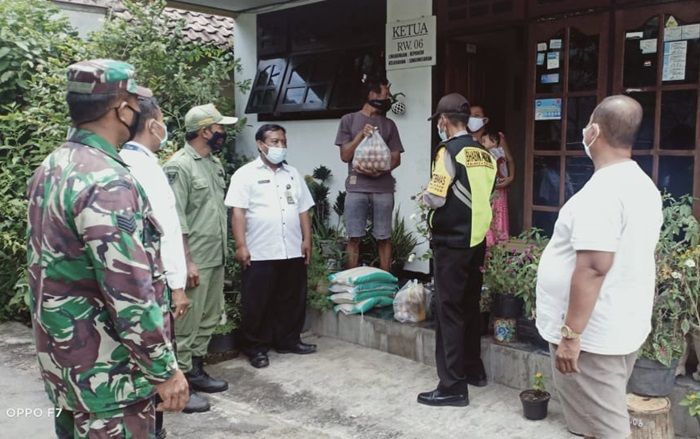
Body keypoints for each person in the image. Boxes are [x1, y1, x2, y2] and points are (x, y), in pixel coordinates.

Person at [26, 59, 188, 438]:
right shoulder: (108, 182)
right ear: (121, 108)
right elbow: (130, 289)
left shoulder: (53, 166)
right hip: (110, 379)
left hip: (68, 368)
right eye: (134, 101)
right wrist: (164, 370)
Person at [536, 95, 662, 439]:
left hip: (592, 338)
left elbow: (593, 267)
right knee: (591, 424)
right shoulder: (643, 185)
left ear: (594, 131)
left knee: (609, 428)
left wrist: (571, 336)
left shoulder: (603, 192)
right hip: (618, 325)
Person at [418, 93, 497, 407]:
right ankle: (473, 370)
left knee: (448, 313)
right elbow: (486, 192)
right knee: (469, 307)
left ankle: (452, 386)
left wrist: (423, 197)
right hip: (476, 241)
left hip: (451, 243)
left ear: (443, 121)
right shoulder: (484, 152)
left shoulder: (448, 151)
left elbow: (437, 196)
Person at [119, 96, 193, 430]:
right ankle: (155, 425)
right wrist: (177, 287)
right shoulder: (148, 168)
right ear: (153, 125)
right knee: (157, 360)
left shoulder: (117, 161)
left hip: (128, 282)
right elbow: (166, 230)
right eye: (162, 119)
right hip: (151, 282)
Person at [163, 103, 237, 410]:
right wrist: (187, 262)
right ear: (205, 131)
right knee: (186, 324)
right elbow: (175, 219)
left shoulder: (212, 163)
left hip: (214, 255)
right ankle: (179, 385)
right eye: (220, 128)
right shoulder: (179, 166)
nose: (223, 133)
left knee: (207, 318)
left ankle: (195, 370)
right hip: (194, 260)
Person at [225, 124, 316, 369]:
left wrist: (307, 240)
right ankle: (255, 347)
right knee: (258, 301)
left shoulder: (293, 174)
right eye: (275, 142)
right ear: (260, 144)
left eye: (283, 142)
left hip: (291, 248)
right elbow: (238, 213)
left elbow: (304, 210)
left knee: (291, 298)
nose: (280, 147)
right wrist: (241, 245)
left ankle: (288, 340)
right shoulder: (245, 174)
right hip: (260, 249)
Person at [334, 76, 404, 272]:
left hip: (383, 189)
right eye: (385, 94)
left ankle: (386, 282)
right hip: (357, 188)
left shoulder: (389, 124)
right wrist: (360, 136)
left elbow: (396, 158)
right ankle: (351, 282)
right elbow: (345, 155)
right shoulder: (348, 120)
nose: (387, 99)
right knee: (353, 237)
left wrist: (378, 169)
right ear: (371, 94)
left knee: (384, 237)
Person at [469, 104, 515, 246]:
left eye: (476, 115)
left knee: (497, 222)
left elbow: (510, 160)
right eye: (469, 115)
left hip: (497, 187)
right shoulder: (465, 139)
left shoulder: (495, 137)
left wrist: (511, 178)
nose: (471, 119)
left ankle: (496, 256)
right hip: (476, 189)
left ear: (485, 120)